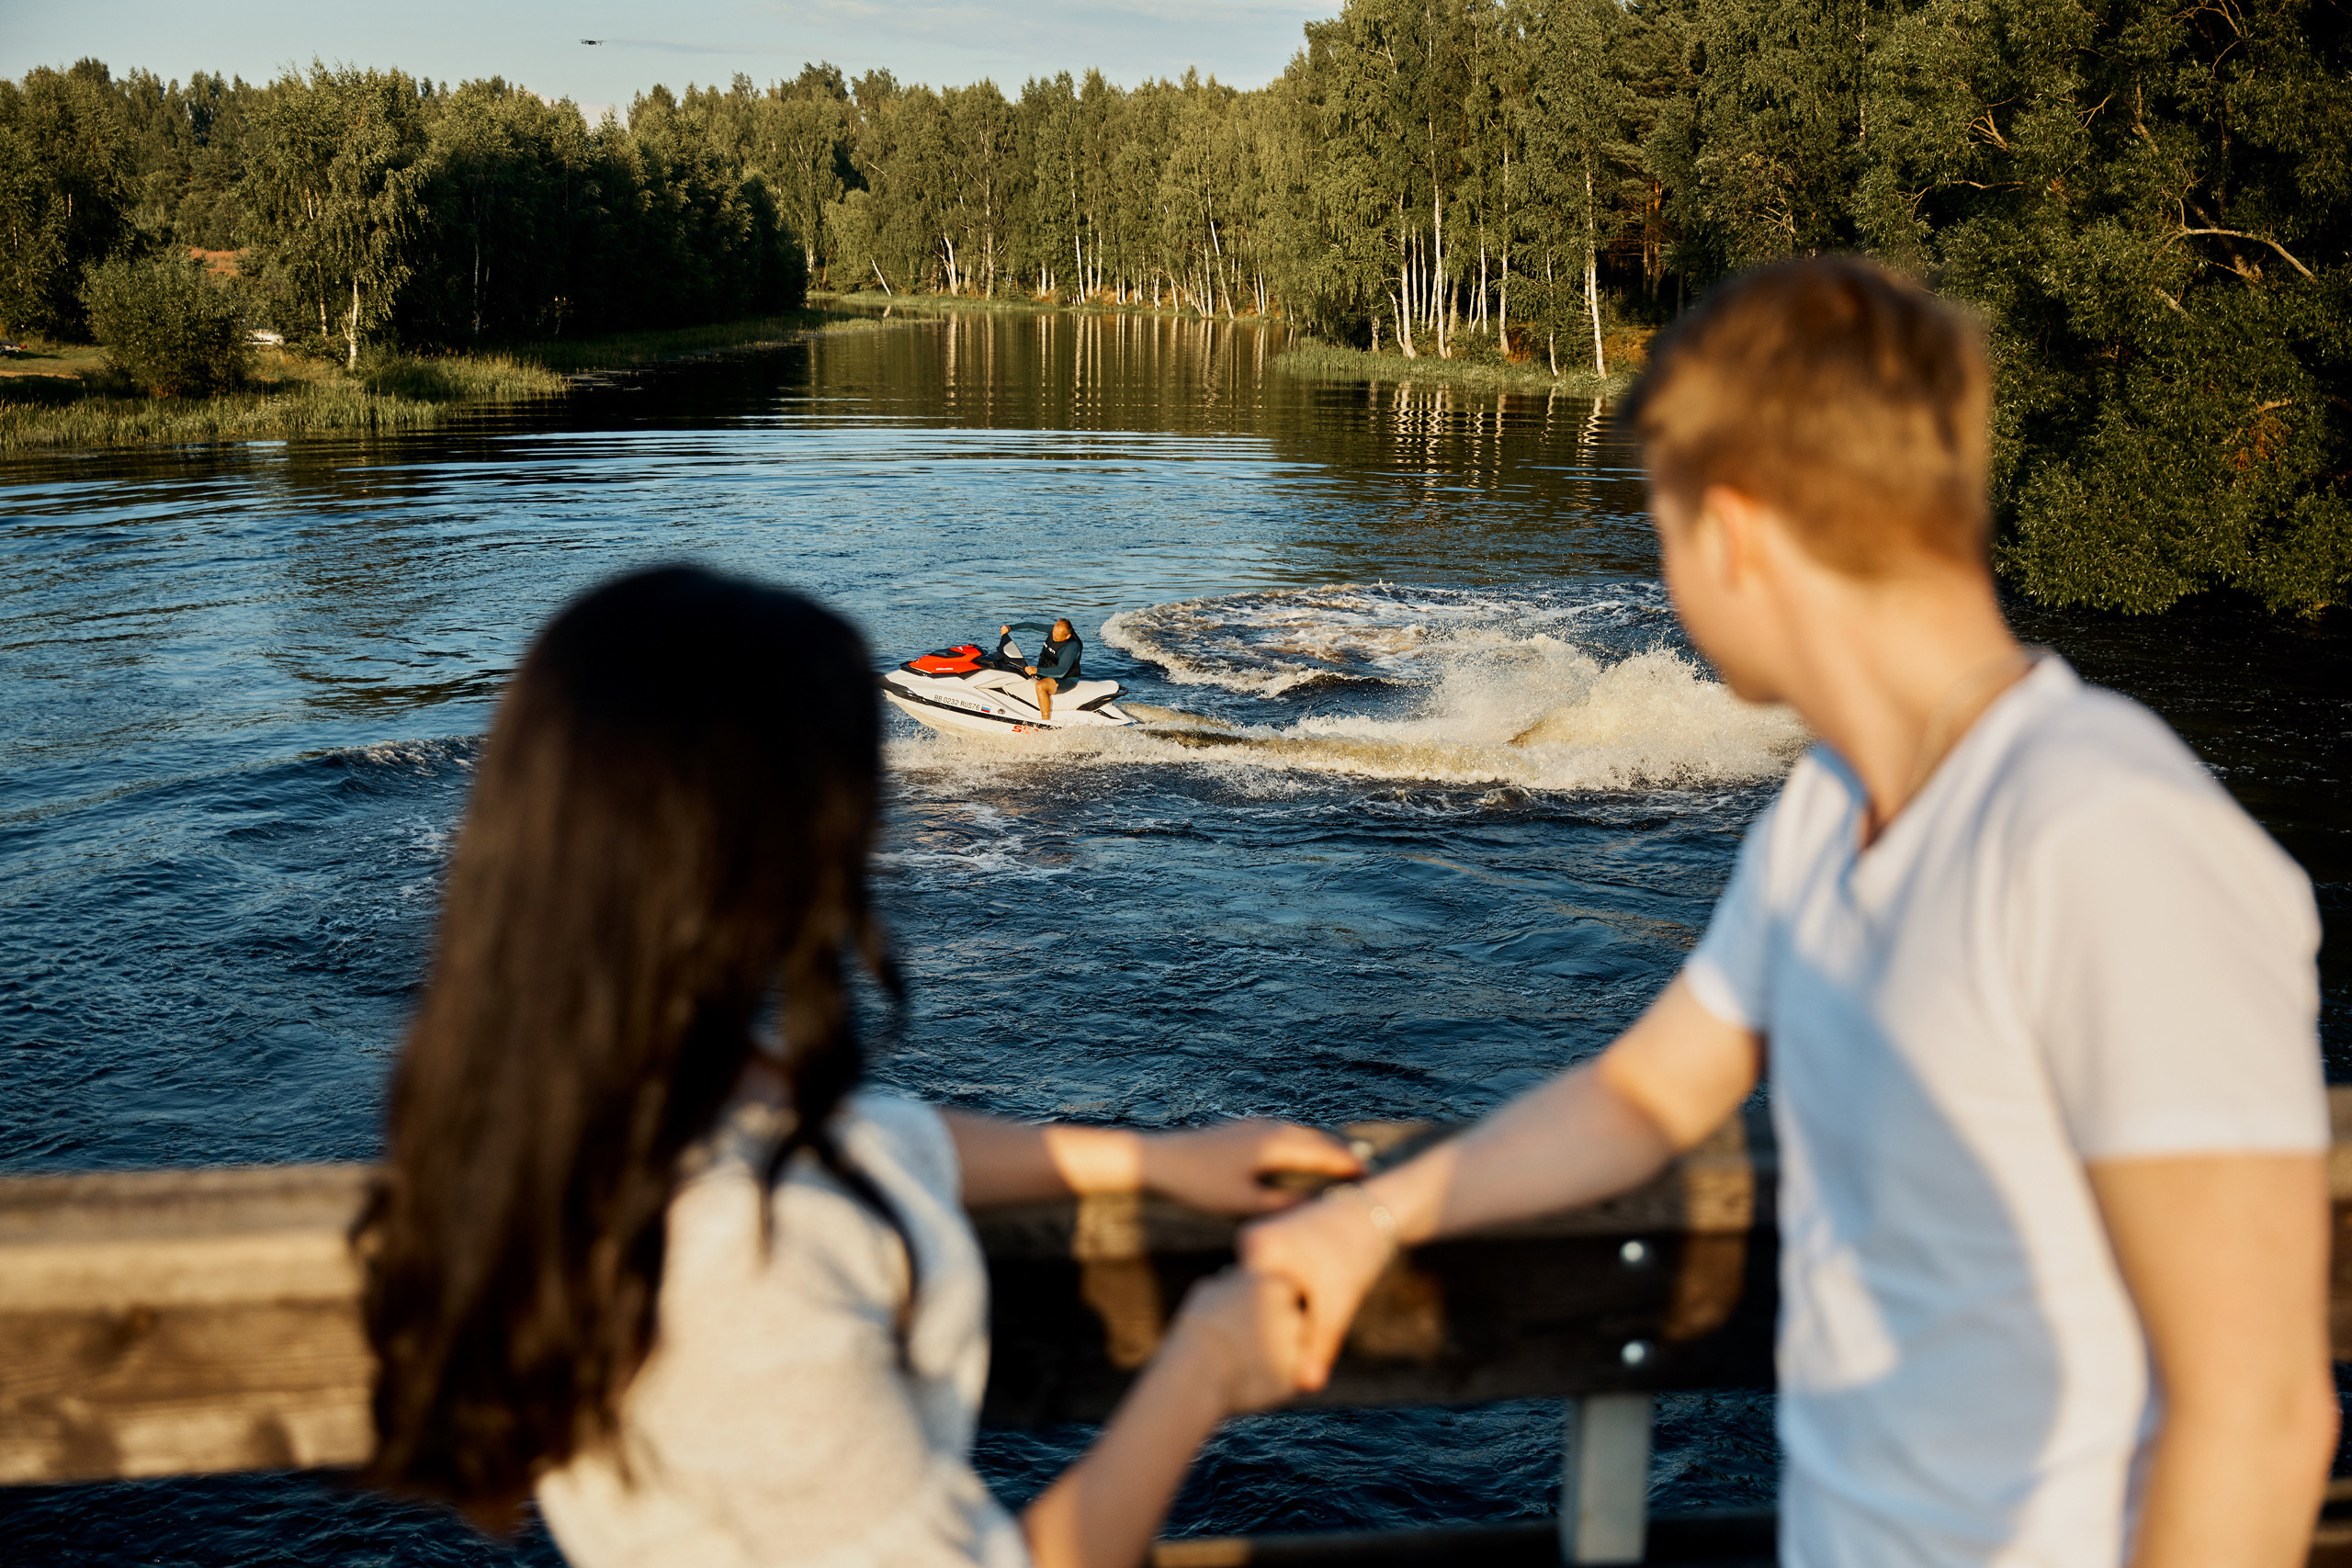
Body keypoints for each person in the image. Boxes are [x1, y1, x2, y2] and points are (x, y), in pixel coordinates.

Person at [1240, 258, 2335, 1568]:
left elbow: (2258, 1413)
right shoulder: (1830, 816)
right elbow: (1641, 1098)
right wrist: (1375, 1214)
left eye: (1664, 523)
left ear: (1738, 532)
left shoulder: (2106, 837)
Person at [358, 566, 1360, 1568]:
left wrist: (1147, 1165)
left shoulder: (577, 1117)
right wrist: (1206, 1363)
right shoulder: (753, 1250)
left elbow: (858, 1139)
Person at [999, 619, 1083, 721]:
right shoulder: (1055, 631)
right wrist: (1010, 627)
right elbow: (1032, 625)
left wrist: (1037, 670)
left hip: (1066, 679)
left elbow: (1061, 671)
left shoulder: (1072, 646)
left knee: (1041, 686)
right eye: (1053, 632)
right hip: (1047, 672)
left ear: (1067, 636)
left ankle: (1045, 721)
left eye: (1057, 635)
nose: (1054, 636)